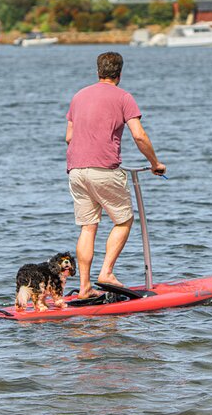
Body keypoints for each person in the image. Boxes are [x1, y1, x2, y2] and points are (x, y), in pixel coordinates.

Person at [65, 51, 166, 299]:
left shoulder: (79, 96)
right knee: (123, 220)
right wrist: (155, 163)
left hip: (76, 169)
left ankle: (85, 287)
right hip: (104, 169)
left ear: (98, 72)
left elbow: (69, 137)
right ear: (119, 74)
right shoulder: (123, 97)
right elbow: (139, 135)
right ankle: (107, 272)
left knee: (88, 227)